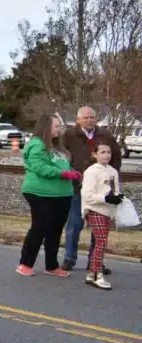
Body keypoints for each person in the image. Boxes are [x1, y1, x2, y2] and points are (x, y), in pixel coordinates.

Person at [16, 114, 79, 277]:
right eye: (56, 126)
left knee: (55, 230)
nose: (59, 129)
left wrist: (72, 172)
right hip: (40, 192)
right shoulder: (37, 144)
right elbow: (40, 167)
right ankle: (25, 263)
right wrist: (63, 174)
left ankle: (51, 265)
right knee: (39, 227)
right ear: (46, 127)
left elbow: (62, 164)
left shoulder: (58, 147)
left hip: (63, 193)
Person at [61, 106, 120, 274]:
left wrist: (110, 178)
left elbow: (116, 157)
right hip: (77, 187)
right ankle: (69, 258)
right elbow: (61, 156)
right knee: (74, 225)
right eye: (85, 118)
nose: (89, 121)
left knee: (99, 228)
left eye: (92, 117)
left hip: (101, 190)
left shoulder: (105, 135)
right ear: (78, 119)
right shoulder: (69, 135)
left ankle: (95, 261)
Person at [80, 143, 121, 290]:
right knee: (101, 242)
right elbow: (87, 195)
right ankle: (98, 274)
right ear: (95, 154)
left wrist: (117, 198)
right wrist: (105, 198)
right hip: (94, 209)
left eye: (109, 152)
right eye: (103, 152)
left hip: (107, 211)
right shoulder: (91, 171)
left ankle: (91, 274)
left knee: (101, 242)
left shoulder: (113, 171)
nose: (106, 155)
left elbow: (116, 191)